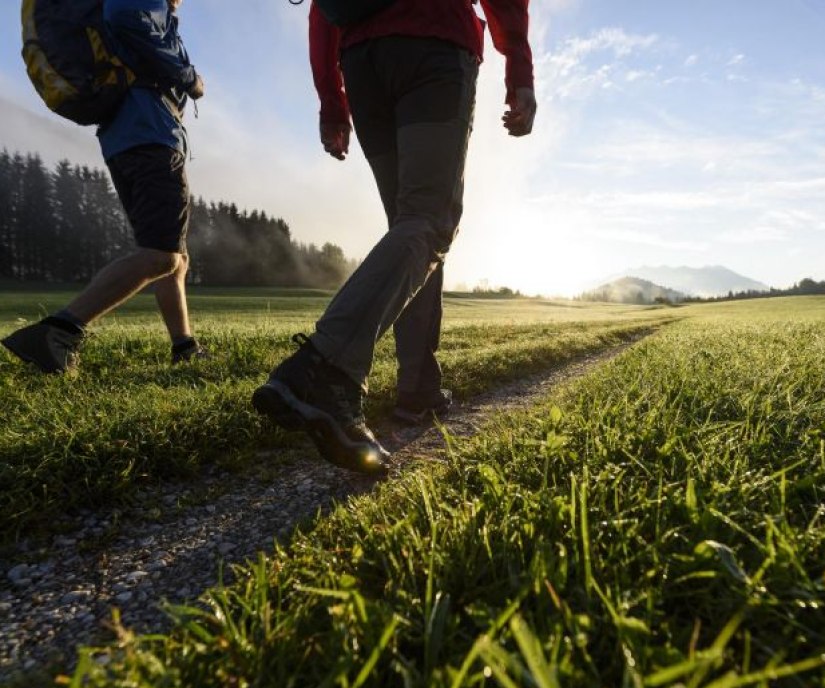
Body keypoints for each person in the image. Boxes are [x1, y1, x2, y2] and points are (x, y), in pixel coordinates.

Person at [252, 0, 536, 475]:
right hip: (433, 41)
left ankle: (418, 388)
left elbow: (323, 10)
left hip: (362, 62)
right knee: (428, 221)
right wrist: (520, 69)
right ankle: (325, 369)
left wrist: (332, 101)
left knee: (410, 227)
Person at [2, 0, 206, 374]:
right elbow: (126, 15)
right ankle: (60, 330)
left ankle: (185, 346)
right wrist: (188, 75)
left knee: (173, 255)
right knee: (163, 255)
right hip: (151, 132)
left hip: (125, 136)